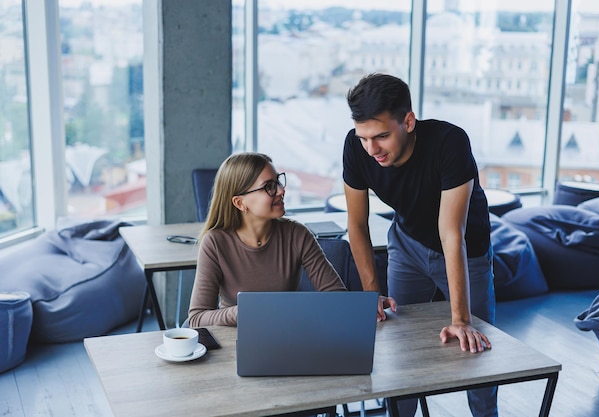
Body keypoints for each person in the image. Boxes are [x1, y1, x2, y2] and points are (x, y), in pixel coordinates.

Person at [342, 73, 498, 417]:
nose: (372, 149)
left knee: (477, 352)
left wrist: (460, 319)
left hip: (465, 251)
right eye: (364, 137)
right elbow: (356, 224)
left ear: (408, 122)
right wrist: (372, 297)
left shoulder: (449, 142)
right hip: (408, 244)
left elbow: (451, 232)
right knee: (399, 348)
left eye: (382, 136)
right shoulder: (356, 147)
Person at [188, 152, 346, 328]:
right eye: (269, 186)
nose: (281, 190)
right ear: (240, 203)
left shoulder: (297, 234)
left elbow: (337, 297)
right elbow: (197, 318)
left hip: (285, 335)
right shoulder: (215, 242)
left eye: (278, 181)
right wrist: (244, 311)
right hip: (234, 339)